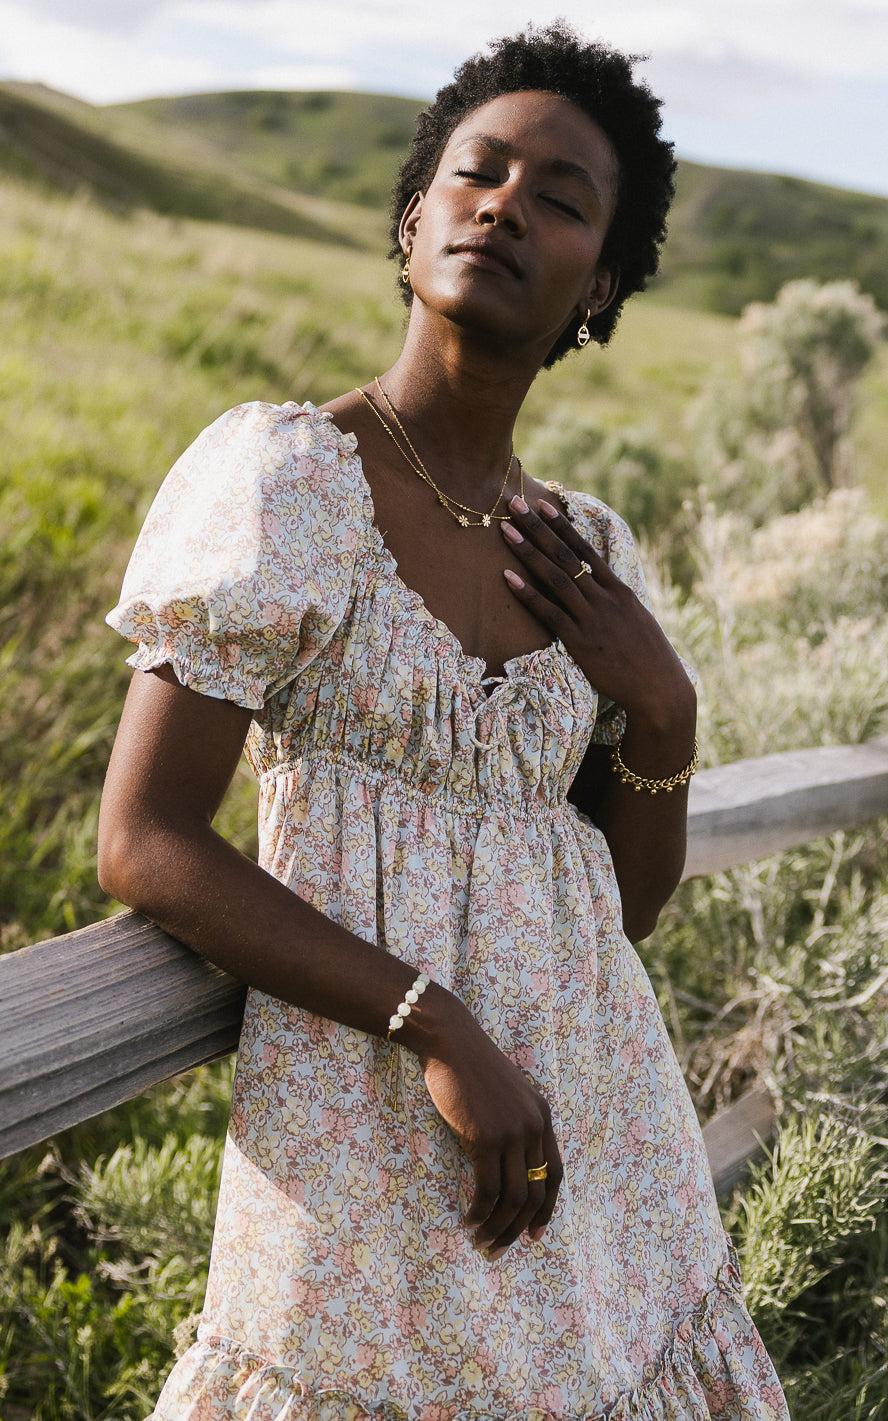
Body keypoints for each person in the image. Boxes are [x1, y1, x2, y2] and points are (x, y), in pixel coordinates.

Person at [99, 22, 789, 1421]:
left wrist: (663, 706)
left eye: (561, 198)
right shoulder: (288, 479)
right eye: (478, 173)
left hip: (594, 1153)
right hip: (362, 1138)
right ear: (415, 219)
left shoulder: (584, 548)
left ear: (597, 287)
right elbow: (146, 841)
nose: (505, 205)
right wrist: (440, 1027)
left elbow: (621, 906)